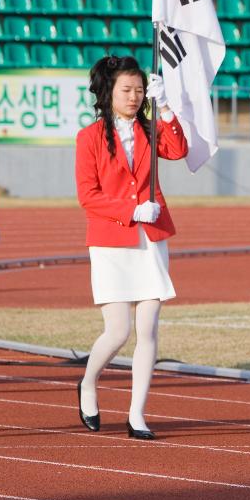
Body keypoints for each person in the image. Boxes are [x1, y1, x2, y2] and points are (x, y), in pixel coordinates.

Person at [75, 55, 187, 441]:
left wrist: (167, 107)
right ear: (108, 93)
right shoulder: (88, 138)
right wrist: (131, 209)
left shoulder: (150, 129)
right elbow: (87, 196)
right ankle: (88, 381)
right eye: (127, 90)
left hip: (150, 238)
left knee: (149, 329)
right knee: (118, 330)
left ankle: (137, 412)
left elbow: (178, 150)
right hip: (111, 239)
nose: (135, 97)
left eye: (140, 90)